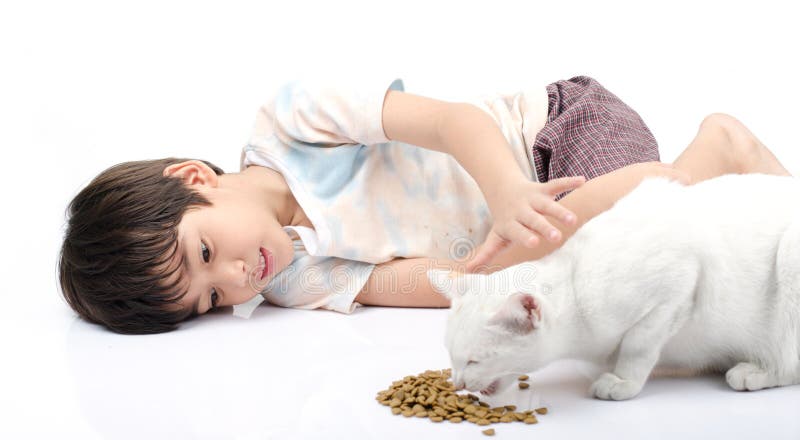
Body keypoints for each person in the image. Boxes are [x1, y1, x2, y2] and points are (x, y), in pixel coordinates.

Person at [57, 75, 791, 334]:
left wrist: (507, 194)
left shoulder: (289, 122)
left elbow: (452, 123)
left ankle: (715, 151)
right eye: (212, 301)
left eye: (207, 255)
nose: (239, 280)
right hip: (540, 226)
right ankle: (751, 187)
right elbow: (398, 282)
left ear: (195, 179)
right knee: (607, 276)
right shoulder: (288, 280)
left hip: (551, 137)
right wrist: (487, 277)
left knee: (634, 238)